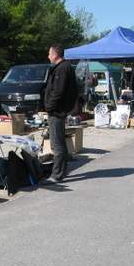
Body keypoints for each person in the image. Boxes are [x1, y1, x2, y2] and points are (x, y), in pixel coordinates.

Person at [44, 44, 77, 182]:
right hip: (59, 110)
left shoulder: (62, 69)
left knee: (57, 144)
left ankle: (57, 175)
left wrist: (49, 107)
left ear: (55, 55)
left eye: (49, 54)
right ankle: (62, 171)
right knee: (60, 142)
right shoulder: (64, 67)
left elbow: (58, 91)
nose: (48, 56)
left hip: (57, 111)